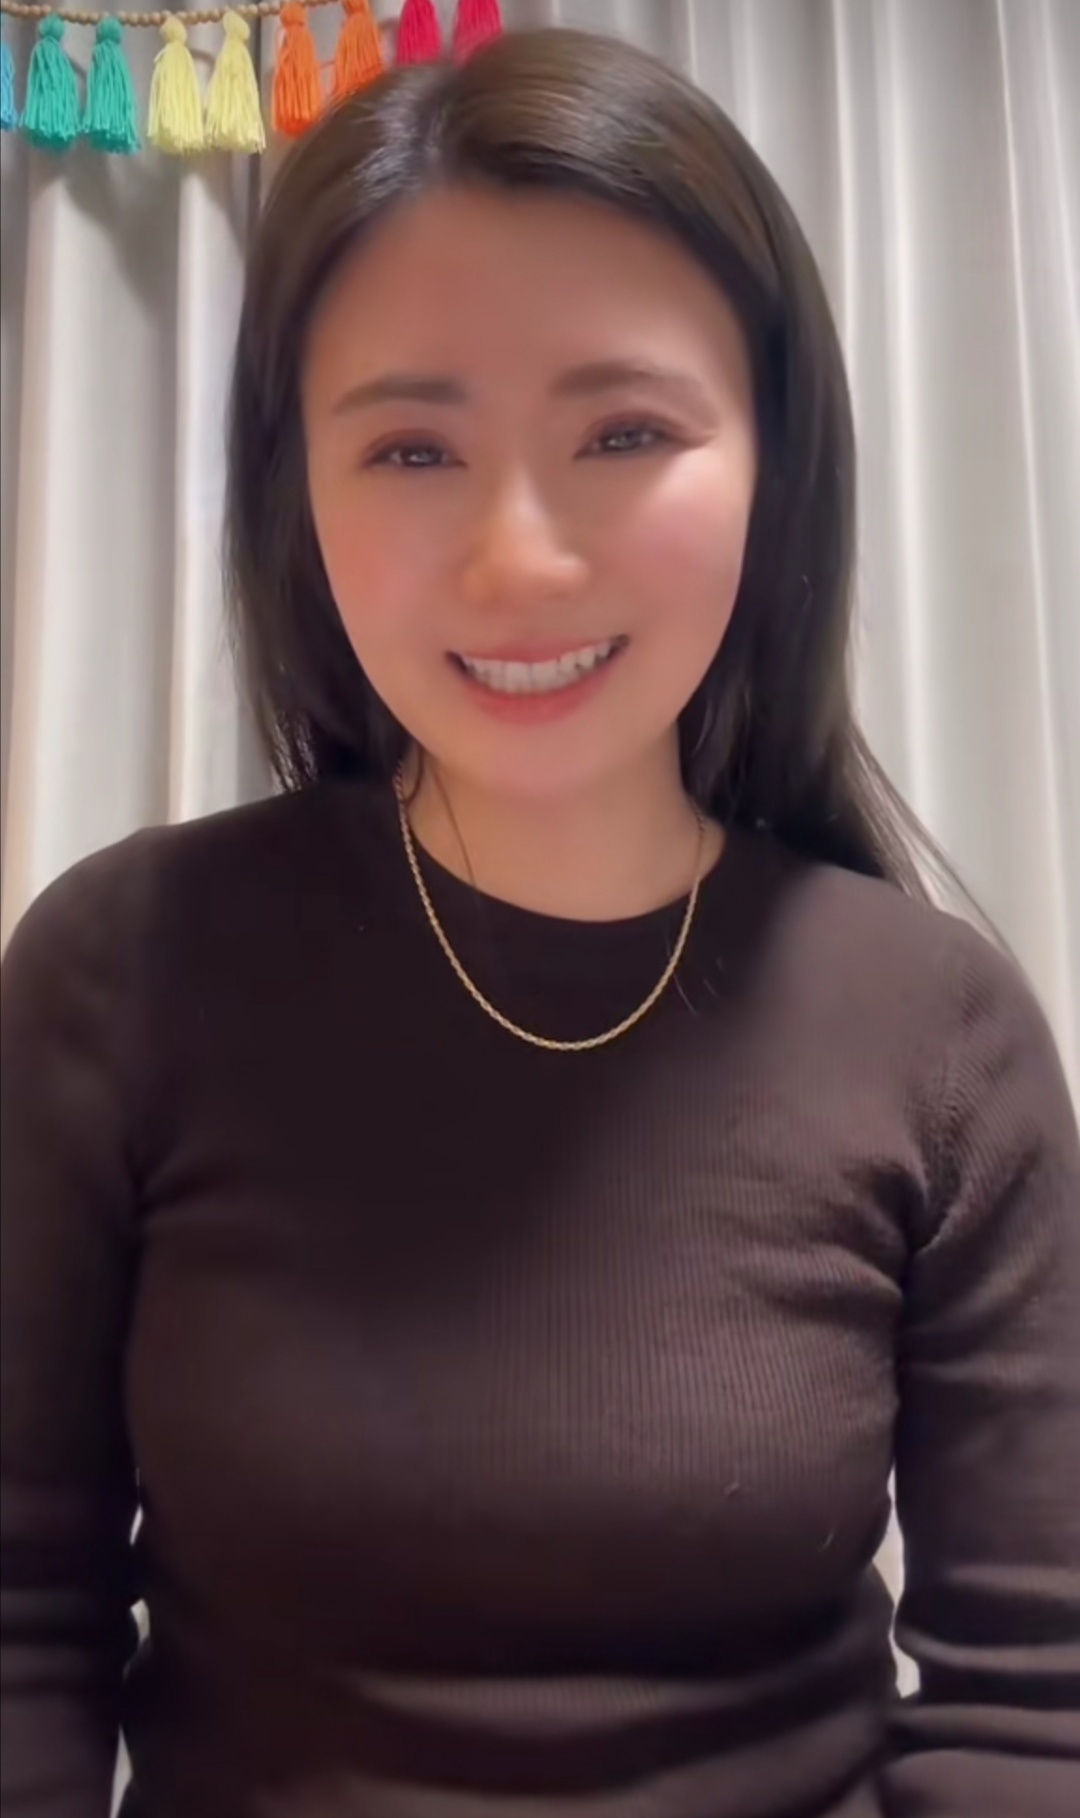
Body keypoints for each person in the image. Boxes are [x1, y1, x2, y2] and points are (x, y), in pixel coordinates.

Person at [2, 25, 1077, 1818]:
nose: (518, 557)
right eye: (413, 448)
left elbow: (1035, 1707)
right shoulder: (122, 973)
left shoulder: (941, 1038)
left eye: (625, 432)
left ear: (775, 461)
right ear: (296, 489)